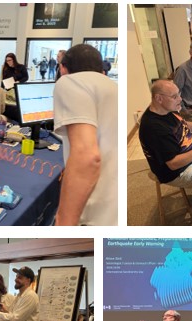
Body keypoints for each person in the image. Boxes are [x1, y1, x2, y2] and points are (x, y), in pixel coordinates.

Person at [53, 43, 118, 226]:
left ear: (63, 68)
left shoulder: (68, 82)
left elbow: (87, 157)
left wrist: (64, 224)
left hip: (95, 214)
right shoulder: (113, 87)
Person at [139, 79, 192, 191]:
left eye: (179, 94)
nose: (180, 99)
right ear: (159, 98)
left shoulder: (167, 109)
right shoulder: (153, 128)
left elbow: (181, 126)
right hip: (179, 171)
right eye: (174, 96)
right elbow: (173, 164)